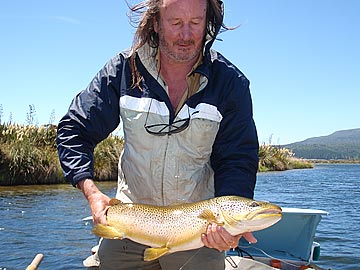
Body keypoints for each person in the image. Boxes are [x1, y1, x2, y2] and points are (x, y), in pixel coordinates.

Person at [56, 0, 259, 269]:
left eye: (195, 23)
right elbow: (74, 130)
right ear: (156, 23)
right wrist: (92, 193)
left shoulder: (230, 84)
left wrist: (229, 226)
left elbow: (238, 160)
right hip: (129, 224)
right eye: (175, 23)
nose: (186, 35)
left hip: (199, 235)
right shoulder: (122, 70)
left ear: (207, 22)